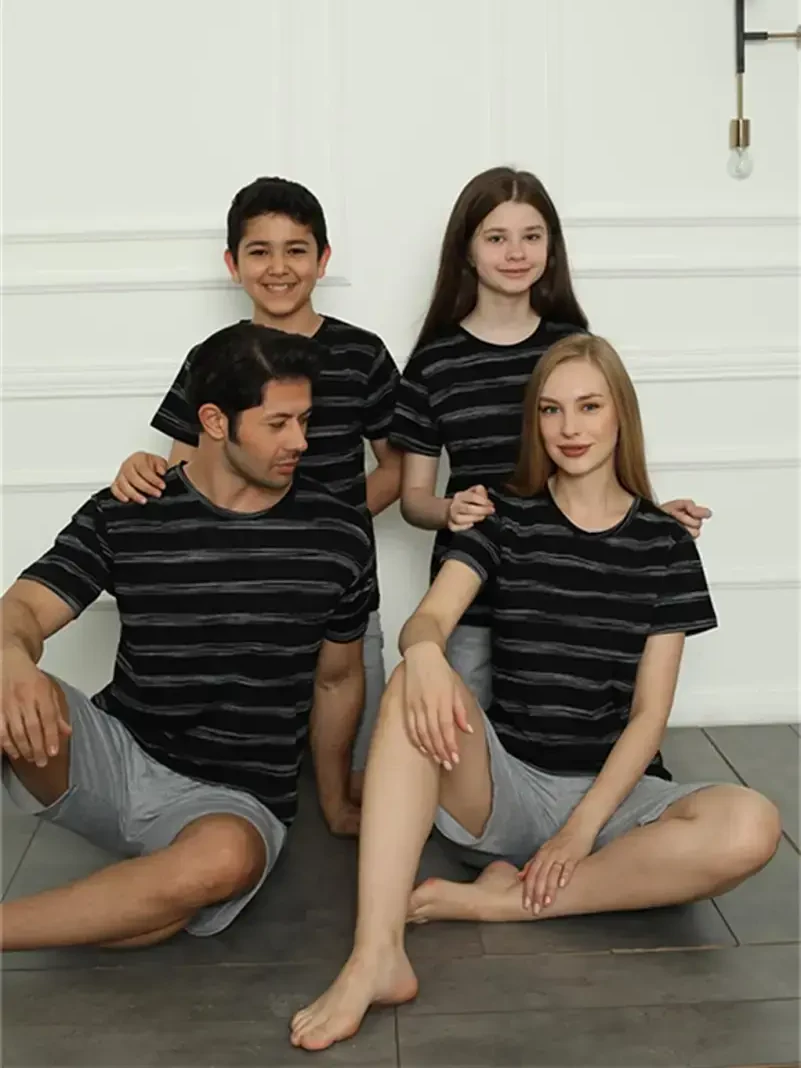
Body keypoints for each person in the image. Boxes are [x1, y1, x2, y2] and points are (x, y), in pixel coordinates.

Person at [289, 332, 781, 1052]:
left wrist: (579, 832)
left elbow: (649, 716)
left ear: (620, 414)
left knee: (752, 824)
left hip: (612, 801)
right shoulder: (504, 519)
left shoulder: (664, 545)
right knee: (411, 684)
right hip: (507, 788)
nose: (569, 427)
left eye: (588, 406)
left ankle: (504, 904)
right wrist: (424, 654)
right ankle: (376, 956)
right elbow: (428, 620)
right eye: (551, 410)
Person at [0, 323, 376, 951]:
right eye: (278, 423)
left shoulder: (338, 534)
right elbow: (22, 609)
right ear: (215, 421)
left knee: (220, 863)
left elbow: (337, 679)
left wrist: (335, 804)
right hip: (115, 755)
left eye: (305, 421)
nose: (300, 442)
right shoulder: (130, 509)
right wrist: (10, 658)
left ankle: (124, 901)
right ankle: (140, 899)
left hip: (233, 801)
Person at [108, 177, 401, 799]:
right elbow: (184, 471)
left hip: (336, 598)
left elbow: (395, 468)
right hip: (234, 595)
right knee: (230, 765)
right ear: (232, 263)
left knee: (361, 774)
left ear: (323, 258)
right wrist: (140, 465)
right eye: (259, 251)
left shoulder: (363, 354)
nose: (278, 267)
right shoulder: (211, 358)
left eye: (296, 249)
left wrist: (329, 534)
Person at [390, 165, 711, 710]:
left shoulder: (574, 346)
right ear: (467, 251)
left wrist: (653, 521)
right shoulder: (433, 363)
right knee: (456, 734)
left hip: (564, 593)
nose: (516, 253)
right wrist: (449, 510)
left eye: (531, 236)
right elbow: (413, 500)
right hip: (471, 595)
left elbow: (601, 463)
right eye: (496, 238)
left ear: (551, 247)